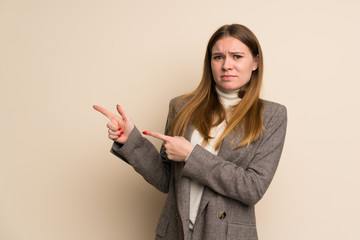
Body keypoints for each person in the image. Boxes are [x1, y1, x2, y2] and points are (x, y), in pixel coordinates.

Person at [93, 24, 287, 240]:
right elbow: (167, 179)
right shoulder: (181, 107)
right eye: (218, 57)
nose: (226, 65)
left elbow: (252, 187)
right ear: (210, 63)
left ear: (255, 63)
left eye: (237, 56)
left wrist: (191, 155)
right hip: (176, 233)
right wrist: (132, 140)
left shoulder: (271, 115)